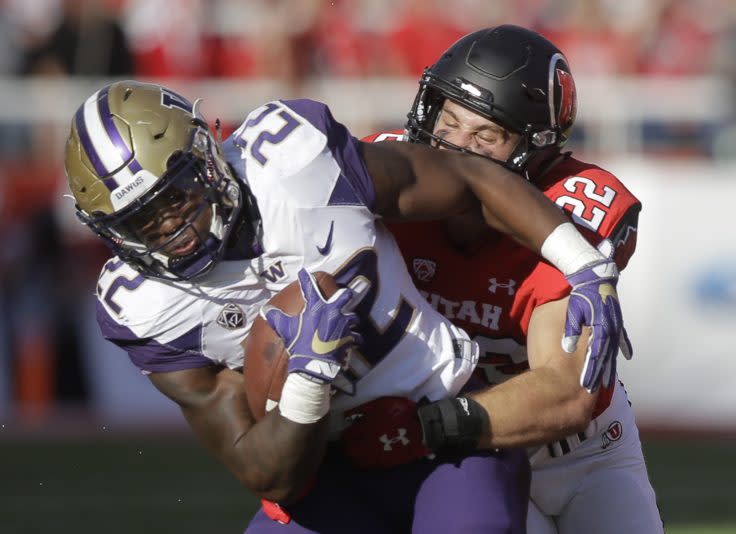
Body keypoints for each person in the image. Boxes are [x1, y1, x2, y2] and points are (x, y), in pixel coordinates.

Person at [63, 80, 625, 533]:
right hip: (324, 465)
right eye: (139, 222)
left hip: (448, 428)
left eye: (175, 198)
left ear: (205, 159)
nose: (170, 230)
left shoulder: (293, 159)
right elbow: (265, 471)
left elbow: (468, 178)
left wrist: (584, 264)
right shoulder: (145, 308)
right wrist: (309, 380)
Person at [348, 25, 664, 533]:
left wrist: (424, 427)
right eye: (447, 121)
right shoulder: (383, 181)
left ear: (536, 151)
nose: (453, 148)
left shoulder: (574, 212)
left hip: (580, 450)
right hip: (471, 454)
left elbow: (565, 395)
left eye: (485, 134)